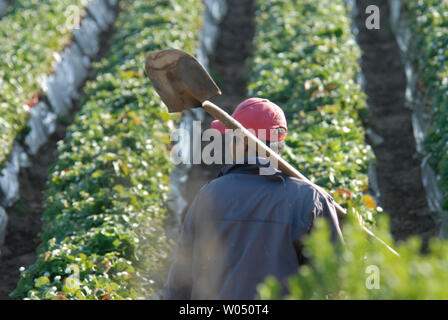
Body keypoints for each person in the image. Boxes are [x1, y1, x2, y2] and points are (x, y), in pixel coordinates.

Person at [163, 98, 344, 300]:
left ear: (243, 145)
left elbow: (180, 282)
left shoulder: (209, 195)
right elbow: (337, 281)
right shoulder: (312, 200)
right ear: (280, 145)